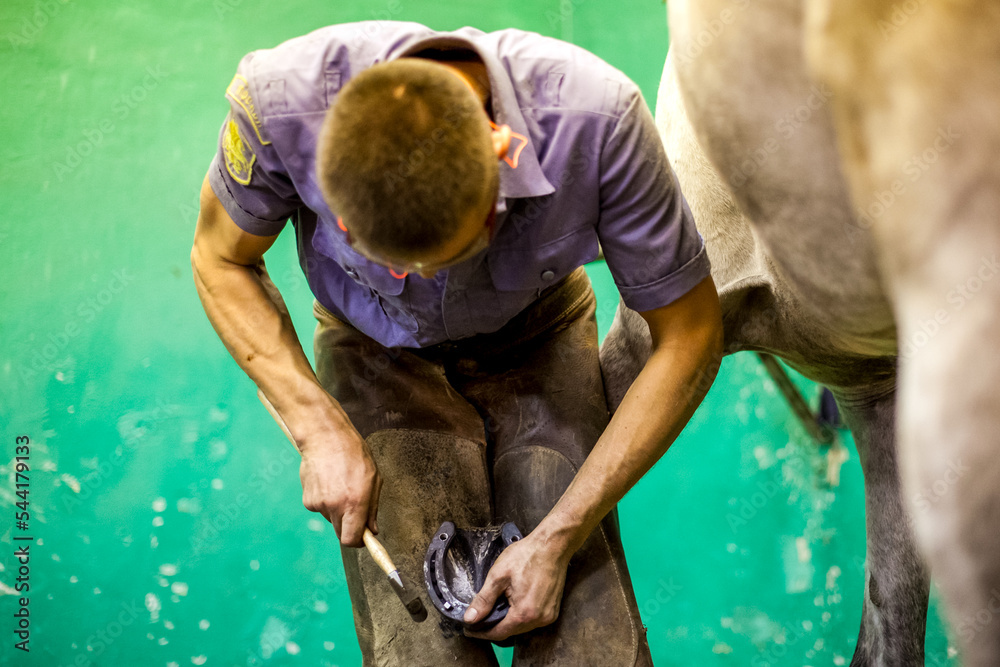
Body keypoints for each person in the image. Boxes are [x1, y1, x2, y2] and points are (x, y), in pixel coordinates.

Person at [191, 20, 723, 666]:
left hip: (539, 335)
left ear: (503, 150)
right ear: (344, 216)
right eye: (398, 263)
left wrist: (559, 536)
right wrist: (316, 426)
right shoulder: (278, 105)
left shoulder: (599, 119)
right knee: (420, 650)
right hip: (373, 354)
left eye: (450, 254)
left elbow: (690, 334)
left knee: (591, 642)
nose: (425, 284)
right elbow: (220, 259)